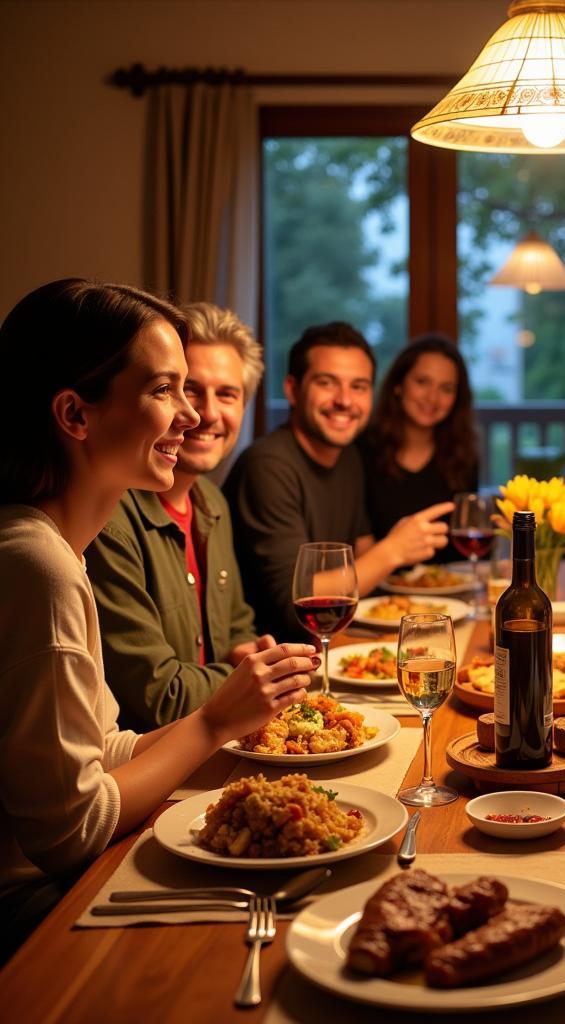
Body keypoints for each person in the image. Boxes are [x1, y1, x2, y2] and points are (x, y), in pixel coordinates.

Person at [0, 280, 316, 958]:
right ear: (75, 415)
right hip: (28, 912)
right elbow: (68, 833)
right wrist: (214, 721)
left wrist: (232, 713)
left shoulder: (57, 549)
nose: (191, 419)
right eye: (165, 391)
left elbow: (102, 747)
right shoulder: (36, 566)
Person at [86, 302, 273, 730]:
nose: (205, 413)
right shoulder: (107, 516)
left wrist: (248, 655)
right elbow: (160, 698)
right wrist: (253, 678)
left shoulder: (213, 502)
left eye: (227, 394)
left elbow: (238, 629)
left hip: (216, 746)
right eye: (188, 389)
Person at [223, 321, 453, 641]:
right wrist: (393, 551)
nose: (345, 400)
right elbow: (293, 603)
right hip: (281, 663)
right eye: (327, 383)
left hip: (336, 643)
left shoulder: (347, 457)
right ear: (292, 389)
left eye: (358, 386)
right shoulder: (267, 467)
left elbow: (361, 548)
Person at [360, 333, 478, 563]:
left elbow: (466, 548)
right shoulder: (362, 450)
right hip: (379, 592)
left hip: (450, 593)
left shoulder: (463, 455)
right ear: (398, 385)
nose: (432, 398)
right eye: (422, 382)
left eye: (446, 388)